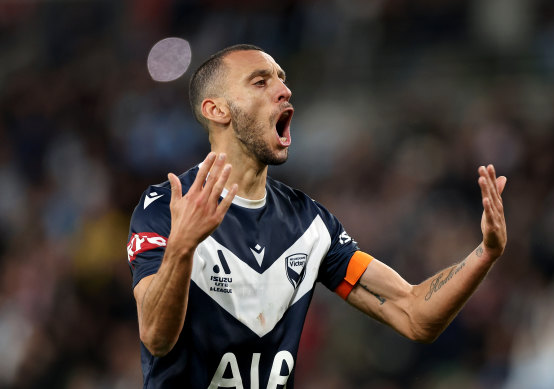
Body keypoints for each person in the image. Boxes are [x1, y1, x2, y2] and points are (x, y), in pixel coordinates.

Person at [126, 44, 507, 389]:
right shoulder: (166, 207)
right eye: (260, 81)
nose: (284, 89)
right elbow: (156, 337)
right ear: (217, 109)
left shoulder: (309, 224)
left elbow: (414, 314)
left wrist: (485, 253)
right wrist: (182, 245)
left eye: (282, 79)